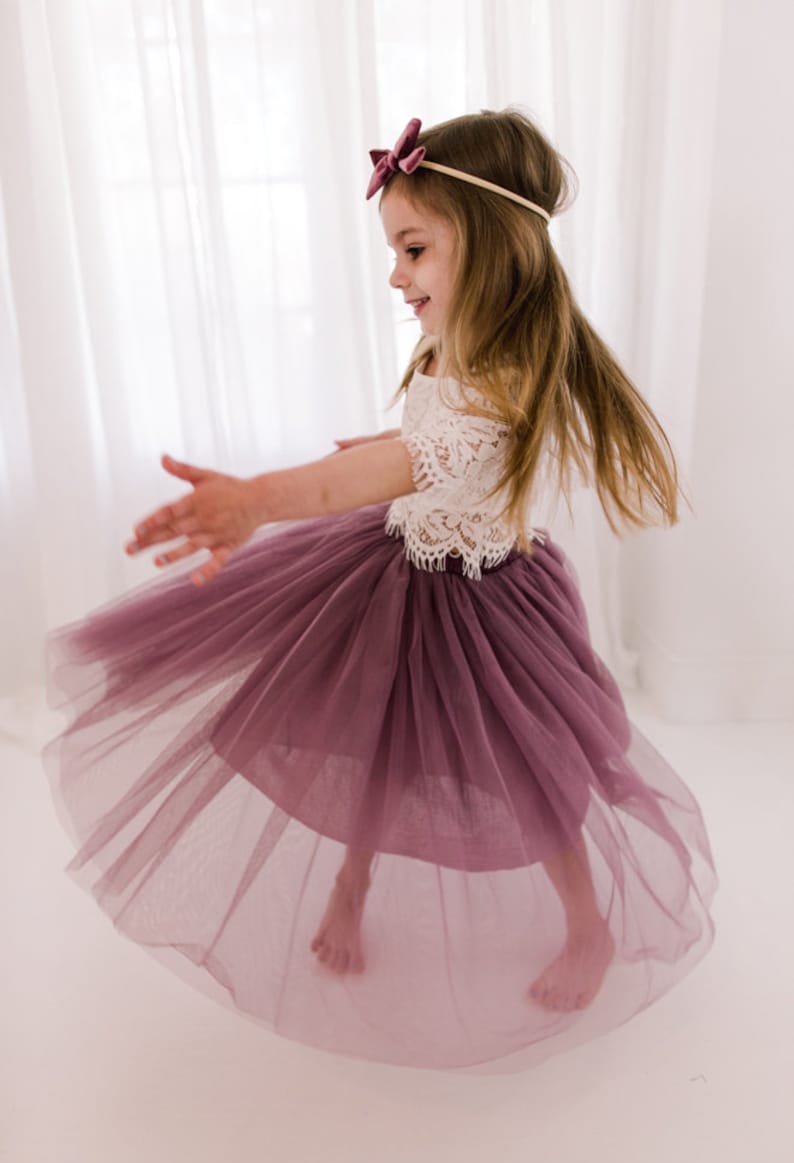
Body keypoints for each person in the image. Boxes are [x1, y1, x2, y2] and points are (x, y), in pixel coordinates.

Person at [43, 110, 716, 1072]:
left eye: (413, 249)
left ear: (488, 249)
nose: (396, 275)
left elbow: (405, 461)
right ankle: (354, 882)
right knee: (370, 742)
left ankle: (587, 923)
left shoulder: (506, 382)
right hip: (394, 577)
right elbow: (414, 451)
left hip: (482, 613)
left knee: (534, 781)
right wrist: (392, 456)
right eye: (396, 250)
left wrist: (261, 500)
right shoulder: (456, 339)